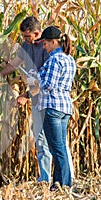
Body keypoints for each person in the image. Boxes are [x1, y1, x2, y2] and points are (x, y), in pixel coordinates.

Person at [0, 16, 54, 182]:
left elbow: (43, 81)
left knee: (57, 142)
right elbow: (14, 63)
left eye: (27, 36)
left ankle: (66, 178)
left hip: (49, 101)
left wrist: (25, 96)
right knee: (40, 140)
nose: (24, 39)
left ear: (37, 33)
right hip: (36, 101)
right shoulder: (26, 45)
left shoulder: (47, 48)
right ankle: (45, 178)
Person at [34, 26, 77, 188]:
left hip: (52, 107)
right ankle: (58, 184)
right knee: (60, 146)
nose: (44, 47)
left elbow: (48, 85)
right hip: (64, 106)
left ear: (53, 42)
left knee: (56, 148)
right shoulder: (69, 59)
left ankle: (65, 184)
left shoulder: (54, 59)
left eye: (45, 43)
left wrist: (36, 79)